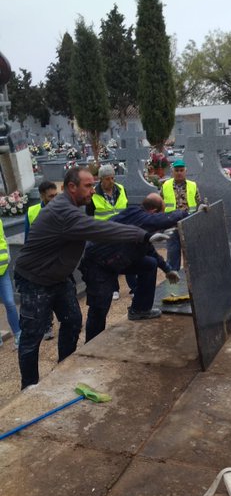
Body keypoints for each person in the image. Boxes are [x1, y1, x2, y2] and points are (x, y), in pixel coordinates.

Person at [14, 167, 167, 390]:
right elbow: (100, 229)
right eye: (88, 185)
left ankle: (63, 369)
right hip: (34, 279)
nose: (93, 190)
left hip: (59, 277)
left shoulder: (73, 206)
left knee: (73, 321)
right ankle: (29, 386)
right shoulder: (63, 211)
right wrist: (143, 234)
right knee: (32, 334)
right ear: (71, 187)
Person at [80, 192, 187, 342]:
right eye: (159, 214)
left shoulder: (140, 220)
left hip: (116, 259)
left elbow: (148, 249)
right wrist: (187, 213)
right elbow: (164, 219)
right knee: (100, 306)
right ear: (154, 212)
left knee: (149, 263)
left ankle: (140, 310)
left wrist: (167, 269)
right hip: (98, 264)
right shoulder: (139, 216)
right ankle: (91, 343)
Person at [86, 163, 129, 300]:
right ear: (101, 179)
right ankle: (114, 288)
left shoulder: (121, 189)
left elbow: (126, 208)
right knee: (110, 261)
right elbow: (90, 216)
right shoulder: (93, 194)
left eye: (112, 178)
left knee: (128, 257)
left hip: (121, 230)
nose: (111, 181)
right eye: (107, 179)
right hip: (104, 233)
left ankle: (134, 288)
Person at [25, 180, 58, 340]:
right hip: (41, 261)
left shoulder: (61, 209)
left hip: (59, 259)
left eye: (56, 195)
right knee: (44, 295)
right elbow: (27, 238)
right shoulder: (32, 211)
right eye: (50, 196)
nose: (54, 199)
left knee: (67, 290)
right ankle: (47, 326)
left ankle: (71, 320)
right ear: (42, 196)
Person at [160, 158, 201, 270]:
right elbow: (160, 204)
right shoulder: (165, 185)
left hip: (188, 222)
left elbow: (198, 202)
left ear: (185, 171)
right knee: (173, 251)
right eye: (177, 170)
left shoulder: (193, 185)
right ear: (173, 172)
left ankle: (193, 272)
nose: (179, 173)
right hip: (171, 223)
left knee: (190, 251)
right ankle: (173, 274)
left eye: (181, 170)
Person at [0, 219, 20, 349]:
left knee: (10, 302)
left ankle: (18, 334)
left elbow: (3, 239)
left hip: (2, 270)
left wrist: (7, 258)